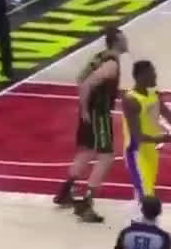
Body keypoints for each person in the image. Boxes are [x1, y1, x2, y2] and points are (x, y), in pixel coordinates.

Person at [55, 27, 128, 223]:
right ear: (117, 42)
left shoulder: (99, 57)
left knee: (87, 151)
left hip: (90, 112)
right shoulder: (111, 64)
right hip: (99, 115)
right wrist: (87, 109)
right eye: (124, 39)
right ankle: (86, 204)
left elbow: (80, 78)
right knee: (107, 157)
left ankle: (65, 192)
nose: (127, 42)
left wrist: (84, 107)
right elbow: (87, 83)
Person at [122, 60, 171, 207]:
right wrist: (163, 138)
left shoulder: (154, 94)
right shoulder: (131, 100)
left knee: (146, 191)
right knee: (146, 196)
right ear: (141, 76)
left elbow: (167, 115)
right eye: (152, 73)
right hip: (137, 153)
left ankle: (140, 217)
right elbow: (137, 136)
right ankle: (142, 218)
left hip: (151, 151)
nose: (155, 75)